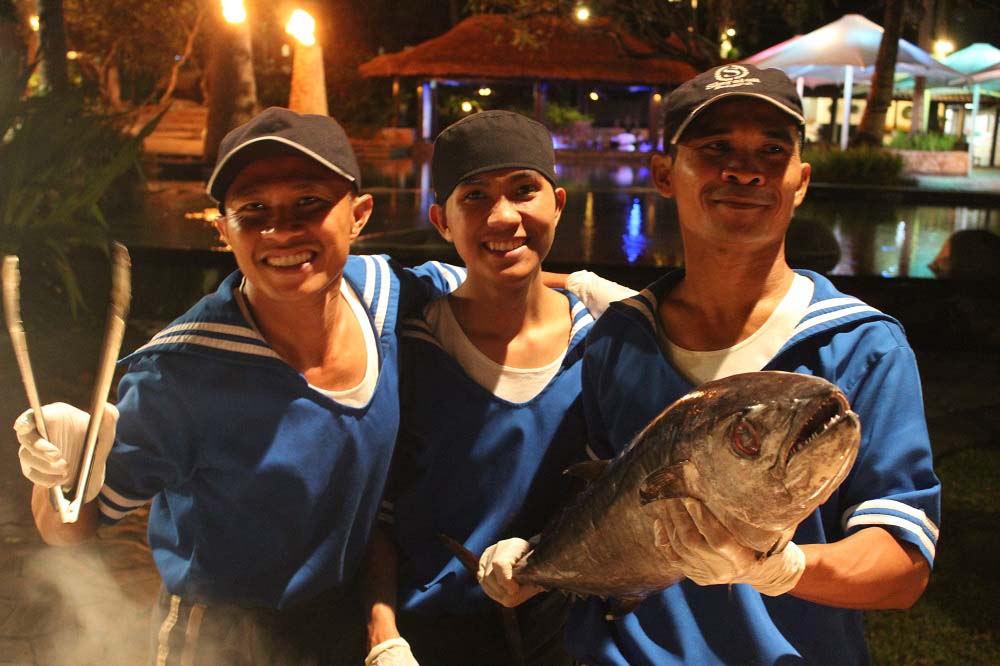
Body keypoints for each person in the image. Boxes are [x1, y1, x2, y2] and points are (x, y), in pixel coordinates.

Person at [478, 64, 941, 664]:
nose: (745, 170)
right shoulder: (621, 336)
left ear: (800, 180)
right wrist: (533, 557)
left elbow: (904, 565)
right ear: (664, 173)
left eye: (771, 152)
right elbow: (595, 496)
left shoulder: (863, 346)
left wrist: (784, 569)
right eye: (715, 147)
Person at [13, 107, 465, 665]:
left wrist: (589, 292)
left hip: (341, 615)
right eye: (254, 211)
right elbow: (70, 528)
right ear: (223, 229)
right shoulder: (184, 371)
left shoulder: (382, 292)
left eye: (309, 202)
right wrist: (62, 466)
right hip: (222, 635)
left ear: (359, 214)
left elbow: (488, 281)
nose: (281, 231)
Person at [362, 111, 633, 666]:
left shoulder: (600, 345)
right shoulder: (412, 346)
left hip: (568, 636)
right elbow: (371, 511)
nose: (503, 216)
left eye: (523, 191)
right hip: (429, 635)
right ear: (441, 220)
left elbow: (620, 499)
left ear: (558, 203)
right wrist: (383, 638)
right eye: (476, 196)